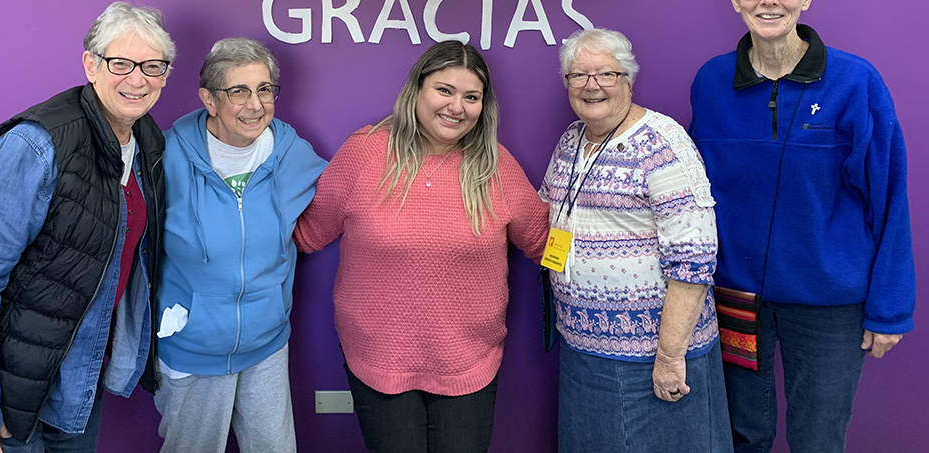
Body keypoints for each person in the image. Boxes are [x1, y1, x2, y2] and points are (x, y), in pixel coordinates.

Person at [689, 0, 915, 452]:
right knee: (743, 435)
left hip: (830, 303)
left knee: (818, 438)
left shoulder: (856, 82)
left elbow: (889, 198)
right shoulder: (711, 82)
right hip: (735, 298)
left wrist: (891, 307)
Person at [0, 2, 175, 453]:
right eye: (121, 63)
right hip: (3, 397)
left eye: (153, 65)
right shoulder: (38, 146)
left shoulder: (145, 145)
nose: (138, 79)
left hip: (74, 381)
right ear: (91, 64)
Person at [294, 40, 548, 453]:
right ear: (417, 89)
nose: (456, 107)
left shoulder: (495, 166)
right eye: (444, 90)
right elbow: (309, 233)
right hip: (377, 358)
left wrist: (608, 231)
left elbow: (543, 242)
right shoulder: (365, 151)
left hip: (467, 362)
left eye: (471, 97)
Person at [541, 28, 731, 453]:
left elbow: (694, 258)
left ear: (628, 79)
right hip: (583, 351)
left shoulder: (662, 142)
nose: (592, 86)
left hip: (652, 356)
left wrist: (668, 357)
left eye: (605, 74)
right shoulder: (571, 141)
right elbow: (541, 213)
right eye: (578, 75)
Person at [154, 37, 326, 453]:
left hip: (266, 343)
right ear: (209, 100)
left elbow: (347, 194)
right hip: (192, 344)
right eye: (239, 92)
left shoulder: (291, 153)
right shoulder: (164, 155)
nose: (255, 105)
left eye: (265, 89)